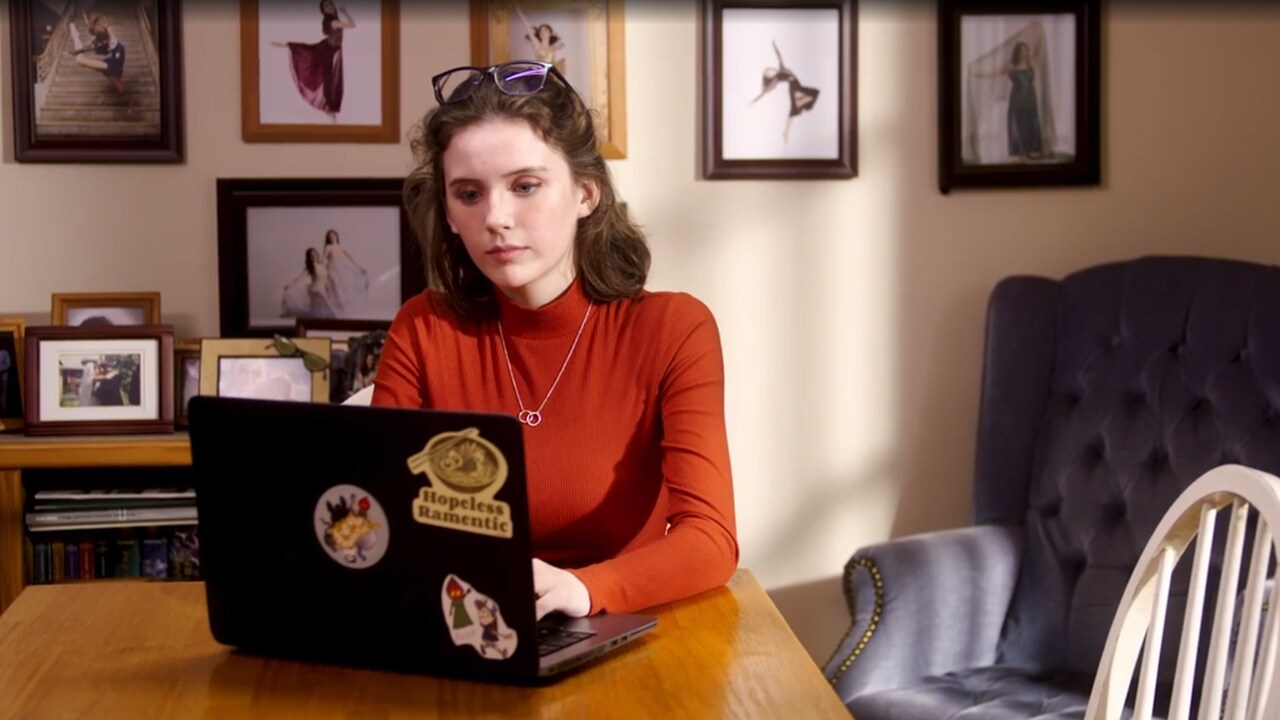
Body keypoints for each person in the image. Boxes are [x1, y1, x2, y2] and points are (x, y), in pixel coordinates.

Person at [373, 61, 737, 620]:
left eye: (525, 186)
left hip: (620, 626)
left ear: (586, 193)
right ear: (447, 213)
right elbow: (382, 515)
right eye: (468, 194)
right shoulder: (422, 328)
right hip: (463, 621)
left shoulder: (673, 329)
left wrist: (579, 589)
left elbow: (710, 539)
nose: (496, 217)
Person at [969, 23, 1047, 162]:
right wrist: (976, 73)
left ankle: (1028, 154)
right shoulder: (1011, 66)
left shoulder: (1031, 62)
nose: (1024, 52)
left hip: (1030, 99)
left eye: (1026, 50)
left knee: (1030, 124)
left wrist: (1040, 32)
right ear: (1017, 52)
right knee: (1017, 125)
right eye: (1021, 50)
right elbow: (994, 73)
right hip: (1017, 100)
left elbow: (1040, 50)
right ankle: (1021, 156)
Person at [271, 0, 355, 121]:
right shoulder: (334, 22)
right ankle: (331, 110)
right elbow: (352, 25)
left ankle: (331, 110)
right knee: (327, 77)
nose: (329, 7)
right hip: (327, 50)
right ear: (324, 11)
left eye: (330, 4)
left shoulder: (333, 20)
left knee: (327, 76)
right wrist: (345, 12)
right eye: (326, 6)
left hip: (329, 49)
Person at [749, 40, 819, 144]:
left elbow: (778, 55)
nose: (770, 71)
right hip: (794, 88)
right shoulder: (775, 79)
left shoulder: (781, 68)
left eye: (769, 70)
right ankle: (786, 132)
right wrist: (755, 99)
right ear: (769, 76)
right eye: (768, 72)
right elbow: (764, 92)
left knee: (798, 106)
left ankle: (785, 132)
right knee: (806, 98)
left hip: (796, 85)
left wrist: (774, 45)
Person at [66, 14, 133, 112]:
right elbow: (99, 46)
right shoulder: (104, 36)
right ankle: (130, 106)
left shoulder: (107, 34)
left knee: (80, 60)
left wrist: (81, 50)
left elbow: (100, 46)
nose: (94, 36)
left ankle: (75, 35)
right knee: (118, 85)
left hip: (114, 63)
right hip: (114, 61)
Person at [321, 229, 369, 314]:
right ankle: (340, 309)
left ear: (336, 236)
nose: (332, 237)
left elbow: (350, 258)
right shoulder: (328, 247)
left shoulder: (340, 247)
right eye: (330, 236)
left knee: (342, 289)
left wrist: (360, 267)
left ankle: (340, 309)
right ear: (328, 238)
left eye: (333, 235)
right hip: (331, 270)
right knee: (335, 290)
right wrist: (322, 271)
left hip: (340, 270)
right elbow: (324, 259)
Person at [282, 247, 338, 318]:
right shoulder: (310, 267)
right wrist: (290, 284)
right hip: (315, 289)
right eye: (312, 255)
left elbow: (325, 279)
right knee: (328, 305)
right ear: (310, 258)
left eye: (315, 253)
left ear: (317, 254)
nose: (314, 256)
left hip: (322, 289)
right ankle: (336, 319)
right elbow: (300, 277)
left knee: (317, 310)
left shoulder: (322, 265)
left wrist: (328, 289)